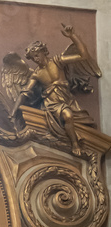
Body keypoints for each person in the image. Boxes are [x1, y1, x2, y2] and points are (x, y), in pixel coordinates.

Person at [11, 25, 100, 156]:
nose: (36, 59)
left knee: (75, 116)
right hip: (51, 103)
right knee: (67, 115)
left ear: (43, 51)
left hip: (66, 99)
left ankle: (74, 141)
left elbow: (83, 55)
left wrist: (72, 36)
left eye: (37, 55)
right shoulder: (36, 74)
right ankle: (75, 144)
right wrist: (13, 111)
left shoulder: (58, 61)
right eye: (33, 58)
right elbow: (24, 93)